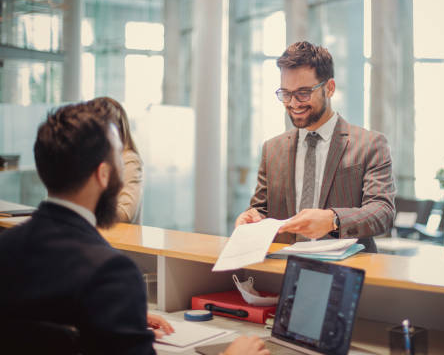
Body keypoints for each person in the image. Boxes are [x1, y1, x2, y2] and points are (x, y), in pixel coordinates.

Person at [0, 103, 268, 355]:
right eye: (119, 155)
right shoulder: (111, 272)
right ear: (103, 174)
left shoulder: (7, 246)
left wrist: (118, 316)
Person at [235, 41, 396, 252]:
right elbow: (260, 209)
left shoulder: (370, 144)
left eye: (303, 93)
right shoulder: (272, 149)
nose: (293, 103)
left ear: (329, 88)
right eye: (286, 94)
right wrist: (251, 218)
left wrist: (333, 220)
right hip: (283, 270)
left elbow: (382, 212)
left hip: (345, 273)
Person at [87, 96, 144, 224]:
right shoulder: (92, 156)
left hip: (119, 241)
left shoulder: (129, 160)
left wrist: (84, 211)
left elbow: (125, 213)